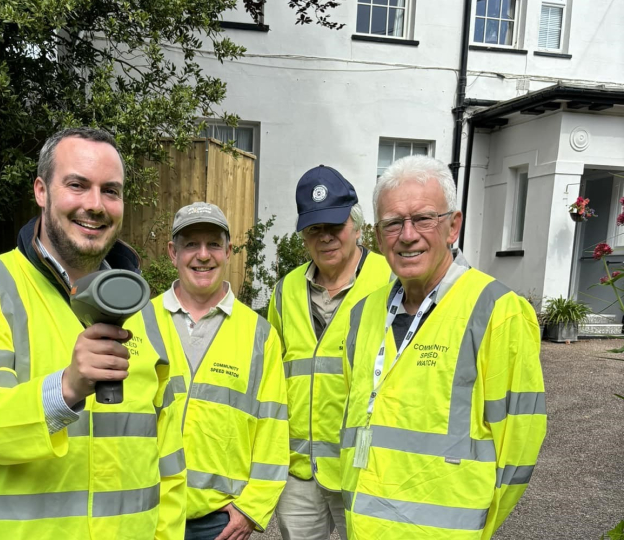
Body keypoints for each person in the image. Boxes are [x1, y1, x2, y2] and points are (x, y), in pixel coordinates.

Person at [0, 127, 186, 539]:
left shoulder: (146, 313)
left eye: (111, 191)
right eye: (77, 185)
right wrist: (65, 389)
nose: (95, 205)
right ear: (42, 191)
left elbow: (168, 456)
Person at [339, 155, 547, 539]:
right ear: (377, 235)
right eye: (392, 223)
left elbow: (519, 443)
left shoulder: (498, 312)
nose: (407, 235)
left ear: (453, 225)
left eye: (423, 218)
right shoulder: (363, 314)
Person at [139, 202, 289, 540]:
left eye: (213, 244)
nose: (203, 255)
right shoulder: (138, 323)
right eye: (191, 244)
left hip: (219, 524)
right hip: (147, 510)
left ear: (228, 251)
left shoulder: (259, 335)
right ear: (172, 252)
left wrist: (251, 508)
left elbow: (273, 429)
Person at [268, 166, 392, 540]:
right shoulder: (285, 290)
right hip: (299, 473)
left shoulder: (391, 281)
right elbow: (271, 375)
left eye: (334, 226)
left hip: (365, 466)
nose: (325, 238)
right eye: (313, 229)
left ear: (357, 226)